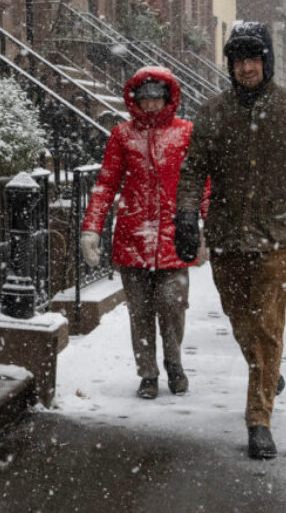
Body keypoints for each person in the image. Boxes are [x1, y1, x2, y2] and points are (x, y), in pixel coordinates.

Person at [173, 21, 286, 460]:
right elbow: (193, 169)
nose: (246, 68)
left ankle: (259, 418)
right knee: (240, 319)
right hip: (228, 234)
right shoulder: (213, 112)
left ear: (267, 62)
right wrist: (187, 216)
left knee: (267, 324)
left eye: (253, 59)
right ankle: (267, 371)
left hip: (279, 236)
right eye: (238, 60)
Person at [80, 66, 208, 401]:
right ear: (136, 100)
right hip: (132, 237)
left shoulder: (186, 134)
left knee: (173, 305)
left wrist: (206, 229)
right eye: (145, 99)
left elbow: (202, 186)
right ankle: (148, 373)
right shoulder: (122, 136)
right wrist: (91, 228)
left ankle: (174, 363)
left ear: (168, 99)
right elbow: (106, 184)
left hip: (175, 238)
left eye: (157, 99)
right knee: (140, 312)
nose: (151, 105)